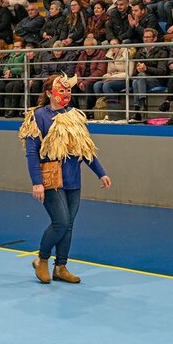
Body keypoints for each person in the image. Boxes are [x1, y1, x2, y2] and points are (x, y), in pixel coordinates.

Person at [20, 74, 112, 285]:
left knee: (69, 224)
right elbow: (32, 153)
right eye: (61, 90)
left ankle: (61, 267)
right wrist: (37, 182)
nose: (66, 94)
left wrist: (101, 172)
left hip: (73, 180)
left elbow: (86, 149)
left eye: (68, 90)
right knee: (60, 222)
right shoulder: (38, 117)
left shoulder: (74, 116)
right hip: (52, 179)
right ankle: (42, 260)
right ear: (49, 93)